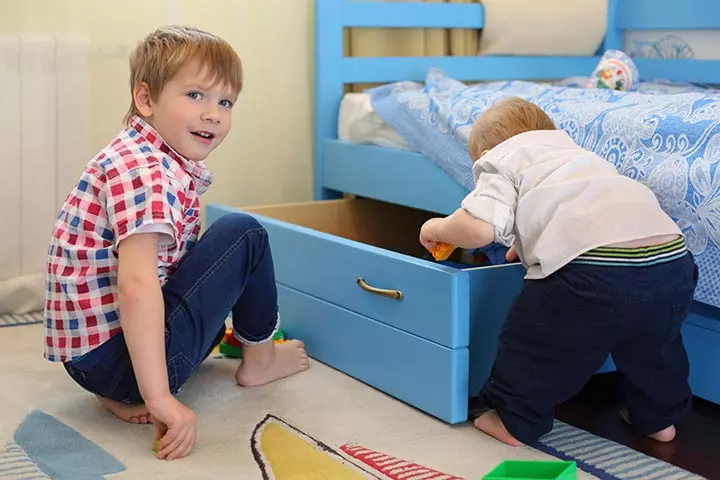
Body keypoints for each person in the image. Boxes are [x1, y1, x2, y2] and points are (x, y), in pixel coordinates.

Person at [43, 25, 309, 461]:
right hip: (121, 366)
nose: (214, 114)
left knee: (210, 245)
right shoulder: (148, 173)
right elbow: (137, 286)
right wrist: (160, 398)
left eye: (225, 102)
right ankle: (259, 360)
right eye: (196, 96)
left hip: (89, 363)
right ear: (146, 99)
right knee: (244, 233)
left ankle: (120, 389)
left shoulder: (133, 152)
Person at [419, 96, 698, 447]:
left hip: (593, 273)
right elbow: (573, 211)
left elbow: (478, 230)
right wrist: (523, 243)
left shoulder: (501, 159)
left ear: (487, 151)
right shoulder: (581, 157)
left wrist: (440, 228)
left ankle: (514, 419)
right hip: (671, 261)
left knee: (533, 341)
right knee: (653, 348)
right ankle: (658, 419)